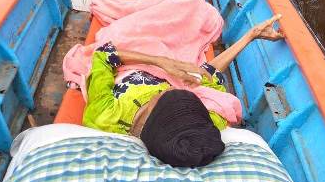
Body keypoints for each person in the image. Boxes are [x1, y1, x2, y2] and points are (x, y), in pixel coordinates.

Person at [83, 14, 283, 167]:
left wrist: (158, 61)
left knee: (187, 5)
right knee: (199, 10)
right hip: (170, 62)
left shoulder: (107, 116)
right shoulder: (202, 126)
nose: (163, 90)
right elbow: (206, 76)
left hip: (132, 57)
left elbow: (103, 56)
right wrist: (251, 35)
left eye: (163, 94)